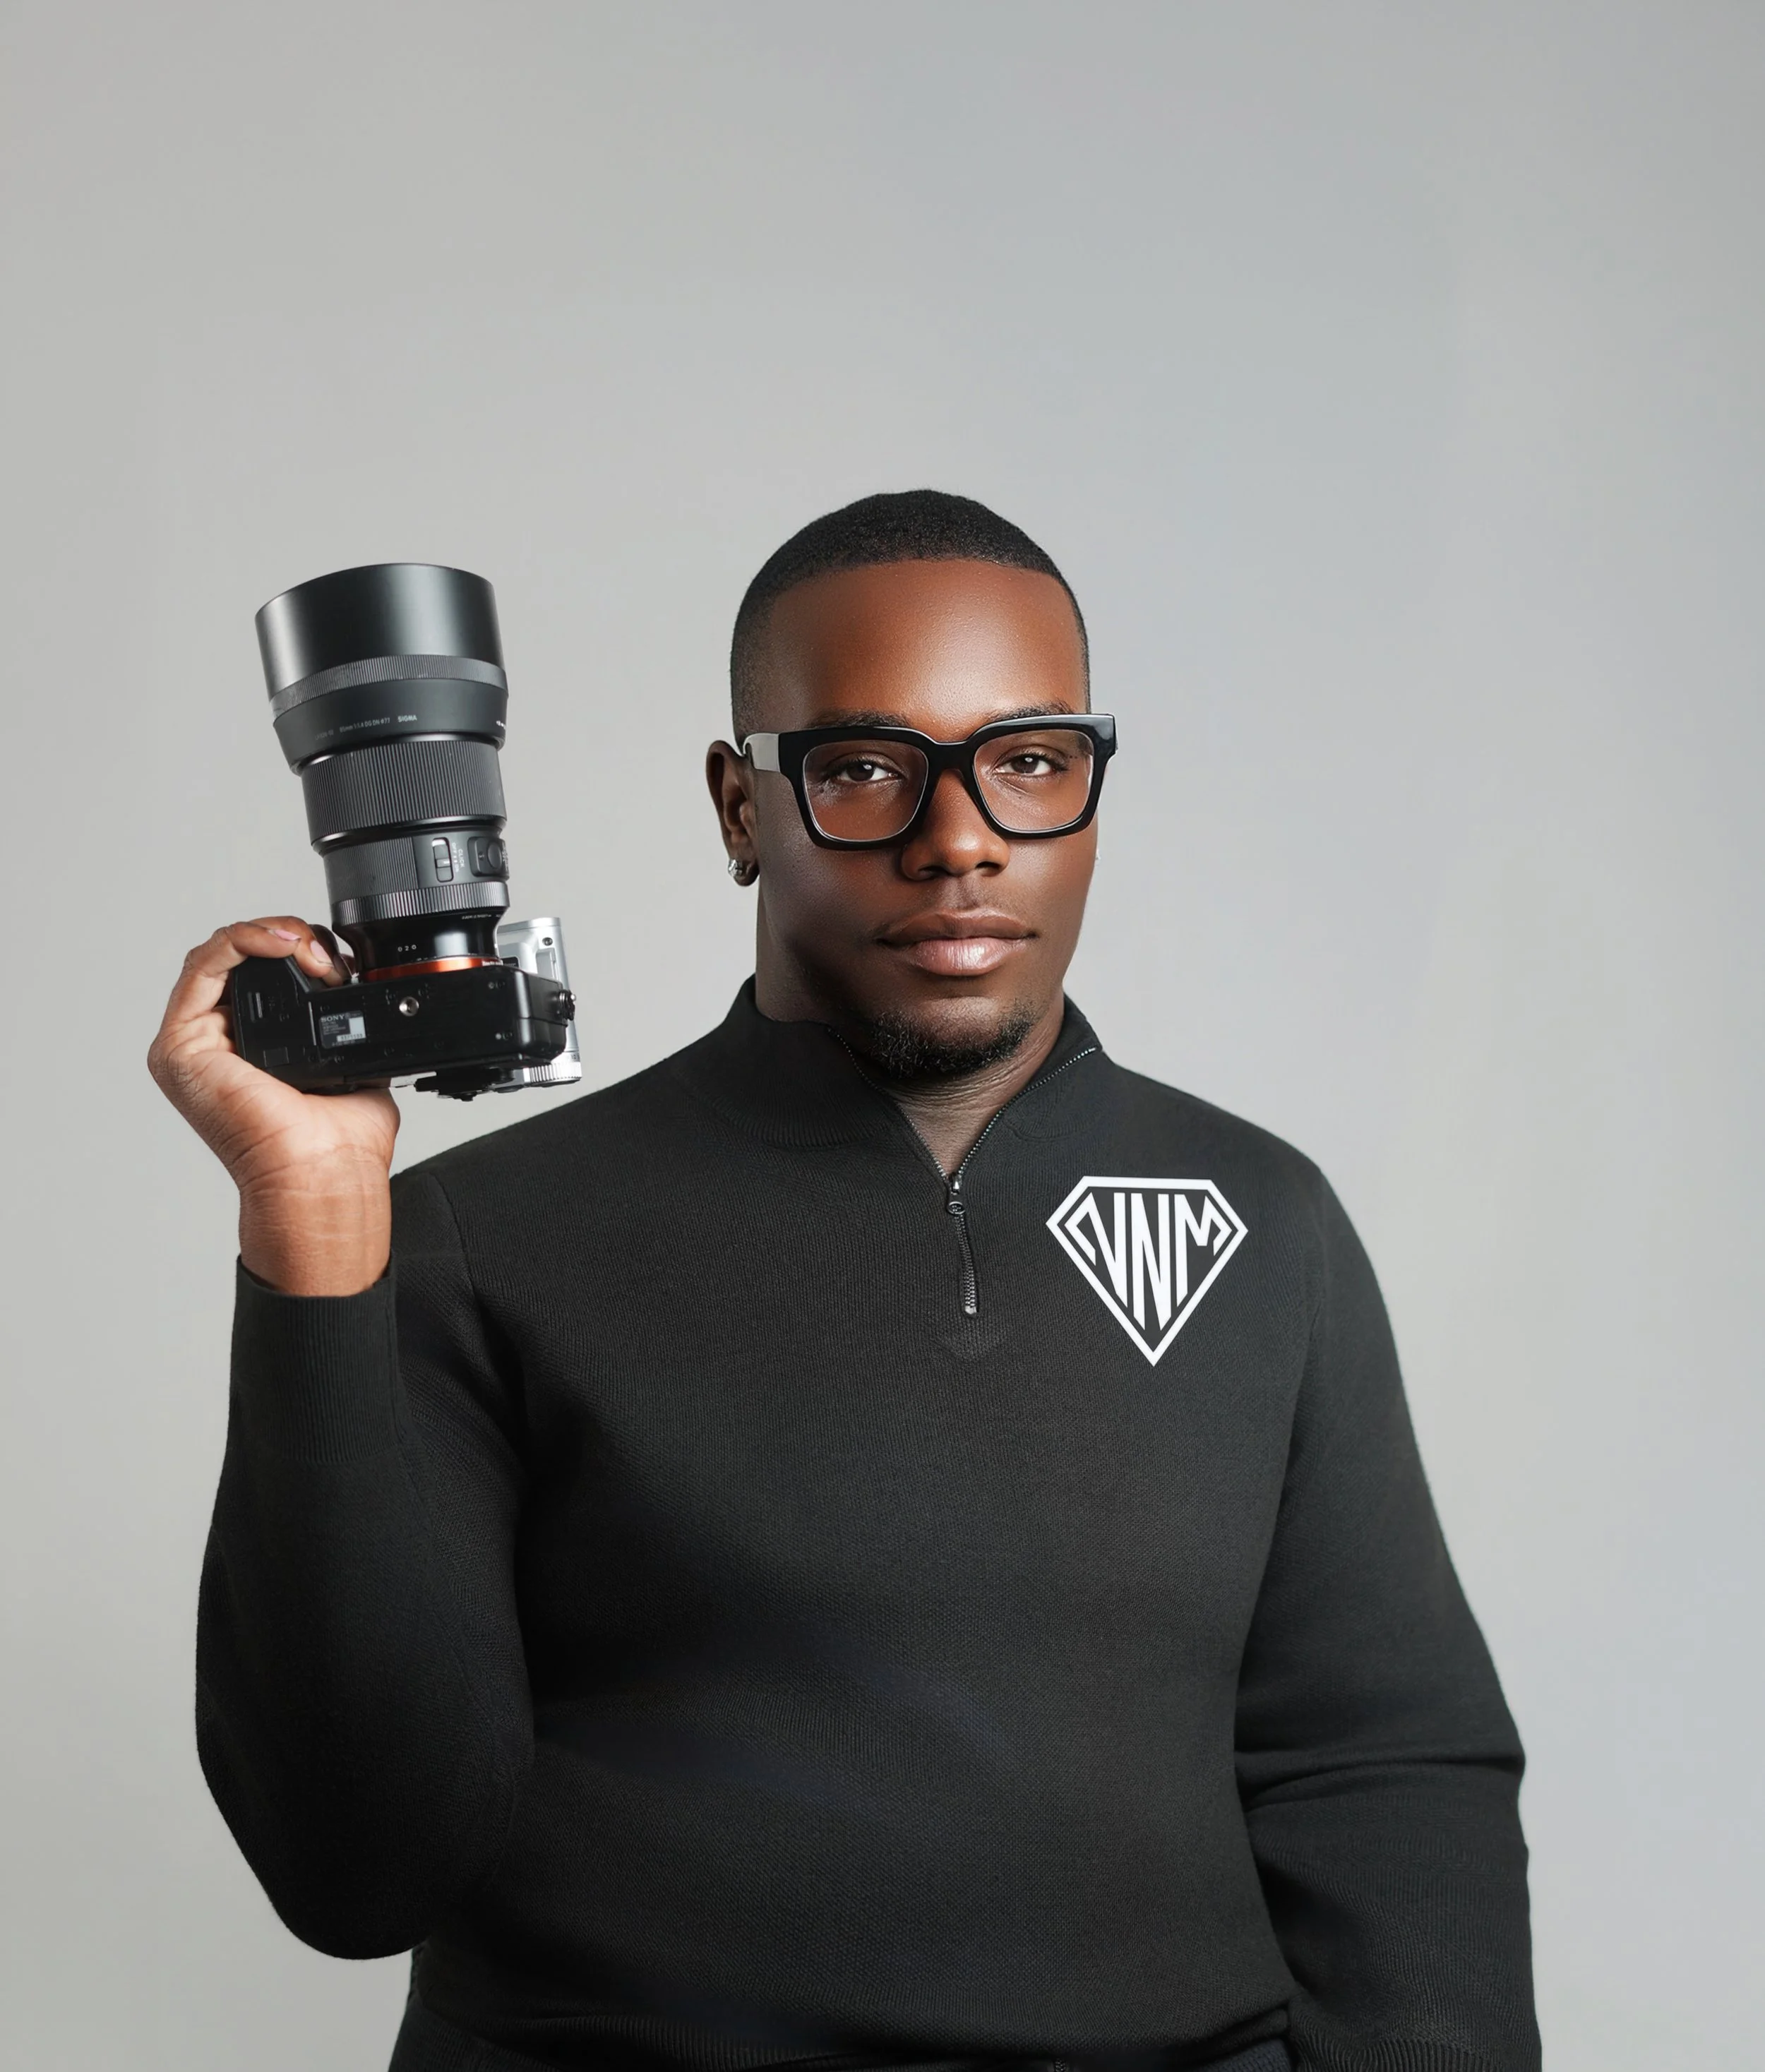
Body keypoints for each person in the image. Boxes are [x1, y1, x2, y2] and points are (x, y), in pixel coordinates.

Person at [150, 491, 1540, 2072]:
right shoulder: (482, 1238)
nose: (959, 839)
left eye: (1028, 762)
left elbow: (1381, 1769)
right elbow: (354, 1866)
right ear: (741, 808)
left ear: (1089, 790)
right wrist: (317, 1227)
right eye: (866, 767)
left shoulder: (1258, 1219)